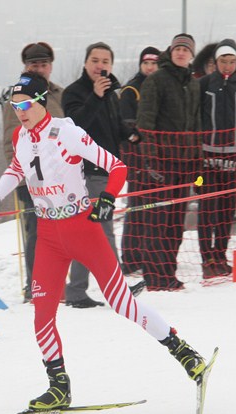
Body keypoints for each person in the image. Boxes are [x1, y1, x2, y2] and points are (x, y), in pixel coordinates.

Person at [0, 72, 207, 410]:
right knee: (42, 314)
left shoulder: (66, 131)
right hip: (49, 236)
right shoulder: (21, 136)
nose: (19, 110)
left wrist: (108, 198)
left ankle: (184, 353)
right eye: (14, 104)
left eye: (24, 104)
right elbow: (17, 168)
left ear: (40, 102)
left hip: (82, 229)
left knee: (122, 303)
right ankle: (58, 387)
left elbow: (117, 167)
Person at [62, 41, 139, 308]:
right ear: (86, 63)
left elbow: (111, 127)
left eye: (106, 62)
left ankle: (76, 291)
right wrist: (95, 96)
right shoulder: (74, 92)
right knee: (104, 229)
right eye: (95, 60)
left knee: (88, 232)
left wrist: (129, 133)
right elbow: (76, 127)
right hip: (84, 172)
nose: (100, 66)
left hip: (108, 170)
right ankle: (118, 289)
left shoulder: (110, 94)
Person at [136, 33, 202, 291]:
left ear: (191, 55)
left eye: (186, 49)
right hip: (161, 163)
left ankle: (168, 272)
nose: (181, 52)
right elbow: (146, 122)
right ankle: (154, 275)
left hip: (185, 163)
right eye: (177, 48)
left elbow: (197, 125)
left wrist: (198, 164)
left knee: (176, 220)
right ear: (171, 52)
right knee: (157, 221)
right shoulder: (156, 80)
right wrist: (151, 160)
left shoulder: (194, 84)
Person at [1, 42, 64, 303]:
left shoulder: (60, 95)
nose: (39, 69)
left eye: (43, 64)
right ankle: (35, 287)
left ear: (50, 66)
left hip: (61, 177)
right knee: (37, 233)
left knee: (59, 232)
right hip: (31, 180)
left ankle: (57, 284)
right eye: (33, 65)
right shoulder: (15, 98)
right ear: (26, 67)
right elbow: (9, 142)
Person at [197, 39, 236, 279]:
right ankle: (206, 257)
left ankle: (220, 254)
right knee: (206, 208)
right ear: (215, 62)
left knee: (226, 209)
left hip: (234, 160)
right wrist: (196, 158)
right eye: (223, 61)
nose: (227, 66)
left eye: (232, 61)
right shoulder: (203, 84)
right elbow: (195, 120)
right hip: (207, 159)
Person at [119, 46, 159, 276]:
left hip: (157, 157)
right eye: (146, 63)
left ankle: (148, 254)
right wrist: (140, 144)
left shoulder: (158, 87)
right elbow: (126, 124)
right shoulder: (132, 89)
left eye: (154, 63)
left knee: (154, 209)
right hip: (136, 157)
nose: (150, 67)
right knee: (137, 207)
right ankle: (131, 257)